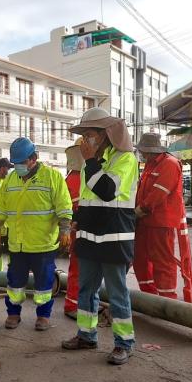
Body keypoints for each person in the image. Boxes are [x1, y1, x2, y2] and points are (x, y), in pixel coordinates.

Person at [61, 107, 138, 365]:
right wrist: (77, 222)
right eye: (84, 135)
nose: (86, 140)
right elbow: (88, 200)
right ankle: (86, 335)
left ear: (105, 135)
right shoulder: (89, 164)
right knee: (86, 290)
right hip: (89, 238)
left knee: (117, 294)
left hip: (114, 239)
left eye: (90, 134)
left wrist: (92, 161)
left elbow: (107, 191)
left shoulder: (125, 159)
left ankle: (123, 343)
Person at [0, 137, 72, 331]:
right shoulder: (11, 179)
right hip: (17, 244)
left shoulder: (52, 177)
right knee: (14, 283)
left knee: (44, 285)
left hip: (42, 244)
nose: (18, 166)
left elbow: (64, 206)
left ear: (34, 158)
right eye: (15, 163)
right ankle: (13, 314)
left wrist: (65, 230)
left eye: (21, 162)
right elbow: (2, 208)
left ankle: (43, 316)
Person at [133, 133, 184, 299]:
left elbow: (158, 194)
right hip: (144, 221)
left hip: (161, 222)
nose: (141, 154)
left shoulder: (170, 164)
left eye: (143, 151)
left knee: (162, 261)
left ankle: (167, 301)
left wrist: (139, 210)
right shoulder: (149, 165)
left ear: (150, 150)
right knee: (139, 258)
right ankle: (149, 297)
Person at [64, 138, 85, 319]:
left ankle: (76, 303)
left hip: (78, 230)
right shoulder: (79, 178)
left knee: (79, 268)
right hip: (81, 231)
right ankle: (73, 305)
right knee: (79, 268)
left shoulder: (71, 176)